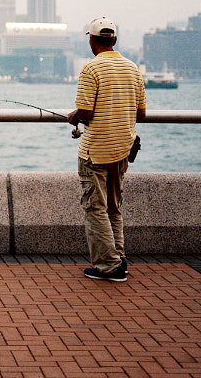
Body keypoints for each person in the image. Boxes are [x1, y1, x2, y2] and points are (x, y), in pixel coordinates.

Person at [67, 17, 146, 282]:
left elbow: (86, 110)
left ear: (91, 40)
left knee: (95, 208)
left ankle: (108, 266)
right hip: (123, 147)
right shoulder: (132, 68)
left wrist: (74, 116)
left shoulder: (91, 69)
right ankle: (119, 259)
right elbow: (141, 113)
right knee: (114, 206)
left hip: (96, 150)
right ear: (114, 40)